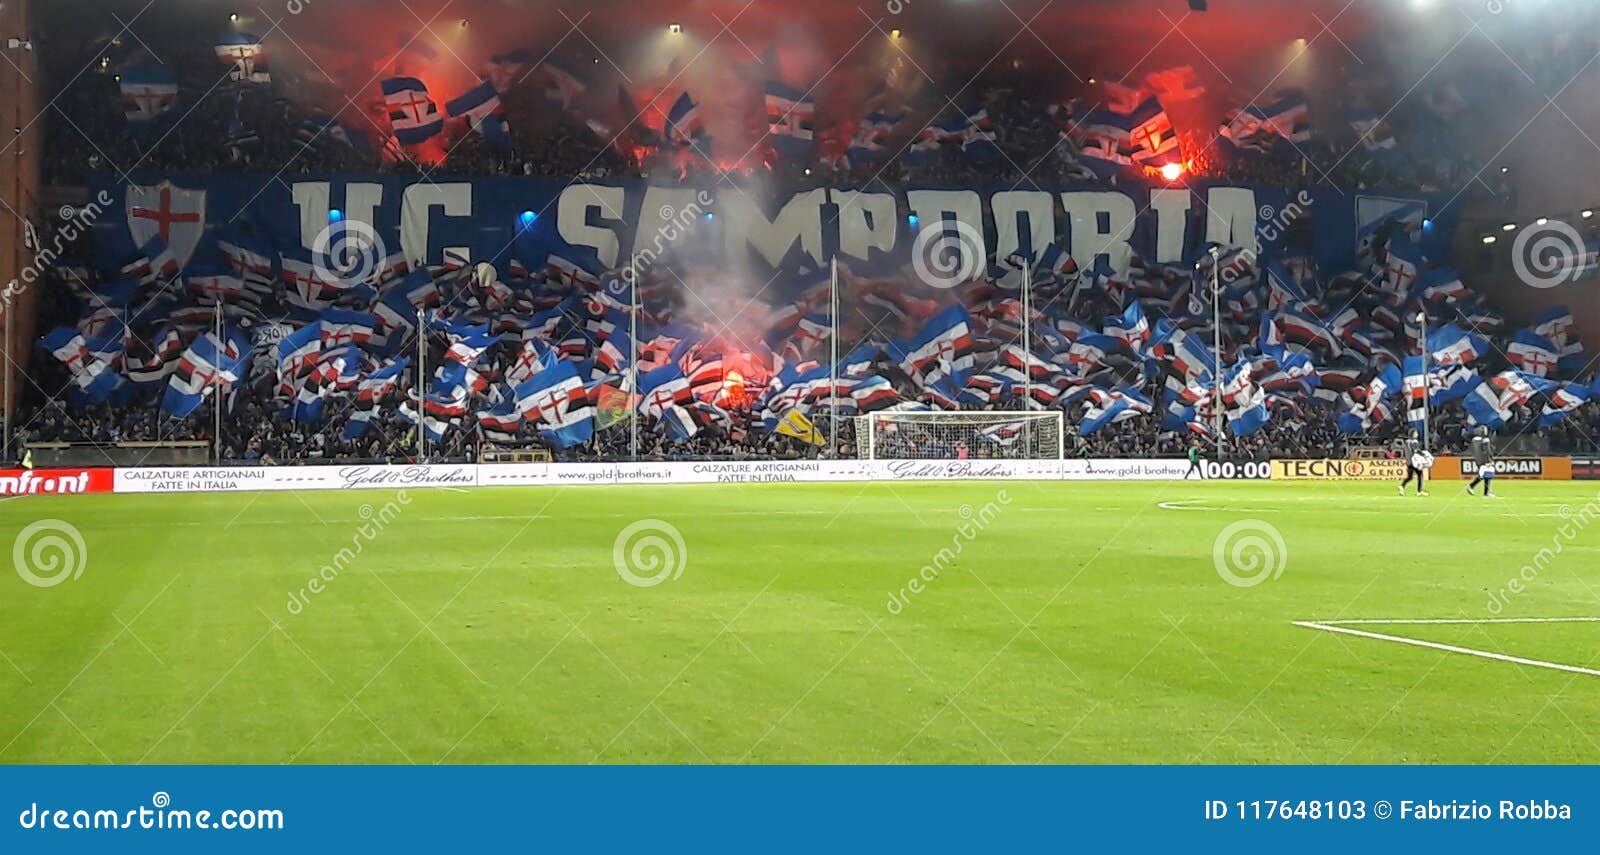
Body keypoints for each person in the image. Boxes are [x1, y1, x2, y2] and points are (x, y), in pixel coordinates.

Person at [1465, 425, 1497, 498]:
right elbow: (1487, 451)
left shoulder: (1474, 440)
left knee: (1484, 475)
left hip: (1478, 460)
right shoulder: (1485, 440)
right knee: (1487, 474)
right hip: (1485, 460)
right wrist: (1489, 460)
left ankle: (1484, 491)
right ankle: (1472, 486)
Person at [1397, 429, 1428, 496]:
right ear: (1413, 434)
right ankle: (1419, 491)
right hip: (1414, 461)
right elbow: (1416, 450)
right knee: (1420, 475)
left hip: (1408, 461)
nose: (1417, 434)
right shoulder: (1414, 441)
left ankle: (1402, 486)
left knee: (1410, 477)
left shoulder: (1407, 441)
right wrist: (1423, 455)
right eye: (1416, 433)